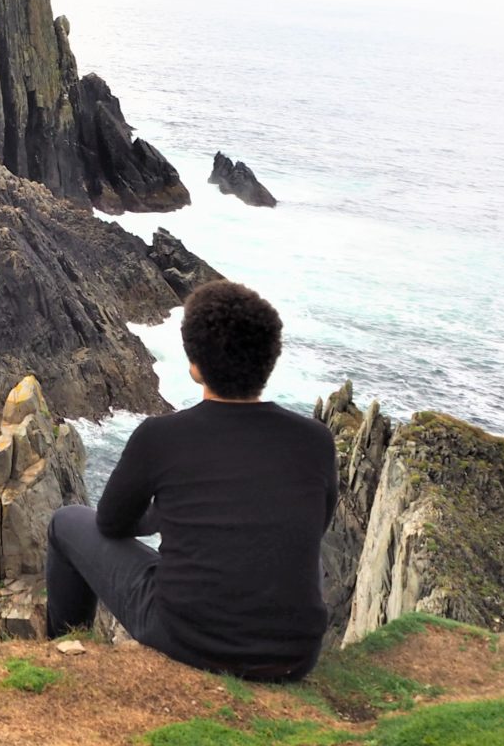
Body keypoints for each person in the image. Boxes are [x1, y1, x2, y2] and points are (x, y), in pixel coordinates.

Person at [45, 279, 336, 681]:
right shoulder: (316, 440)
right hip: (293, 656)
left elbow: (110, 523)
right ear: (269, 359)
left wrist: (162, 514)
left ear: (195, 365)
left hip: (188, 638)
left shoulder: (161, 436)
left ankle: (60, 651)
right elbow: (313, 527)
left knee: (65, 522)